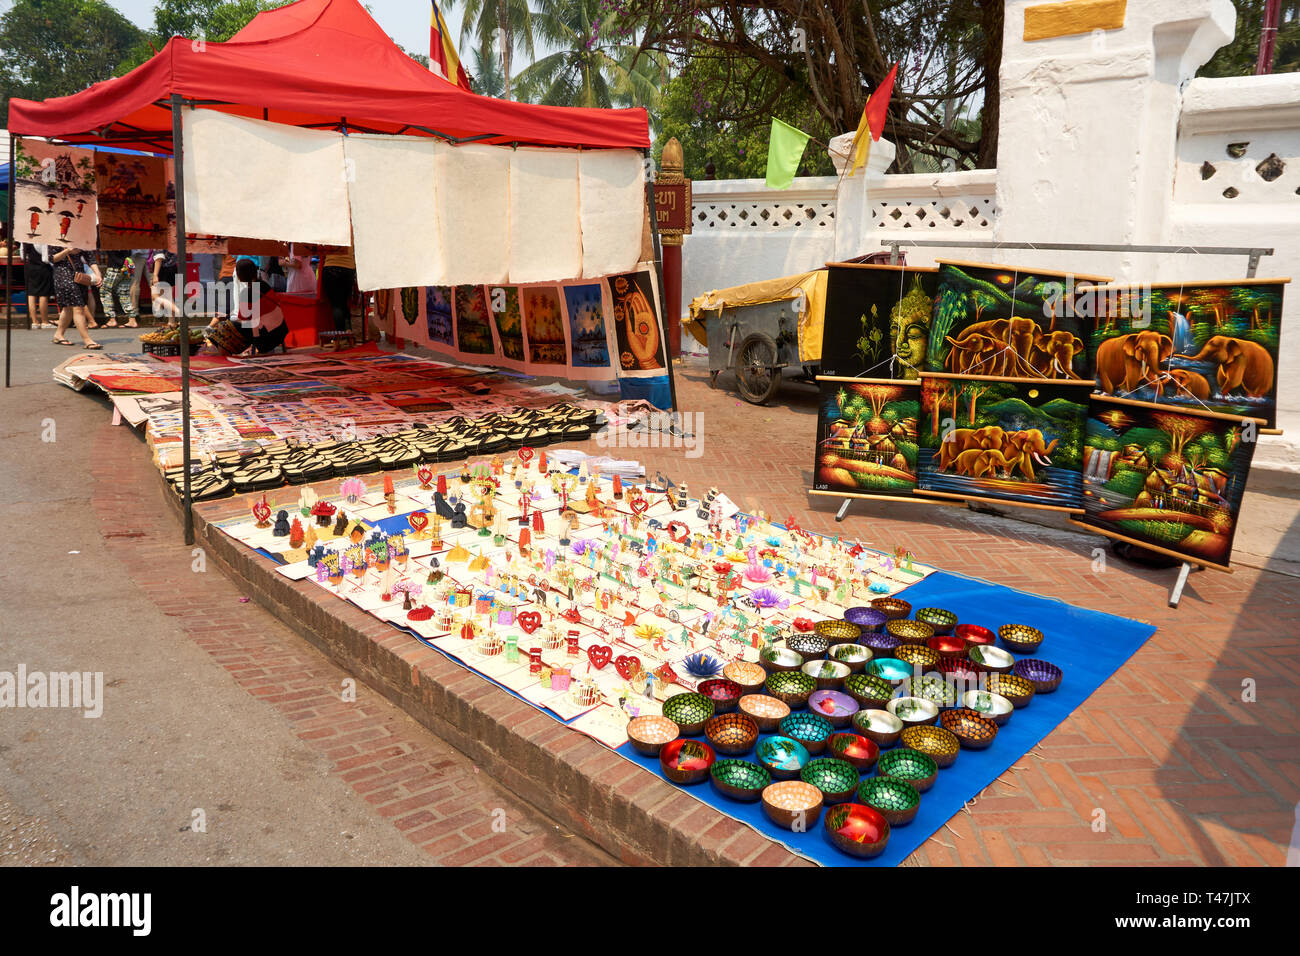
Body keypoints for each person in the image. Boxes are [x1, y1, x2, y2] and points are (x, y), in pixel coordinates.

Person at [49, 245, 103, 349]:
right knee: (78, 307)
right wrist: (67, 251)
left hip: (79, 274)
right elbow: (52, 258)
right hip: (63, 275)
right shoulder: (56, 237)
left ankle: (59, 334)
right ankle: (87, 340)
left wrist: (98, 274)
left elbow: (90, 258)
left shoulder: (80, 237)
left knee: (68, 308)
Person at [98, 249, 140, 328]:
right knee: (124, 293)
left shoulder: (111, 238)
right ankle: (132, 320)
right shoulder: (126, 237)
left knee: (105, 291)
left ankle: (112, 319)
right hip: (127, 266)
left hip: (115, 267)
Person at [321, 246, 356, 331]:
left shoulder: (329, 232)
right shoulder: (352, 232)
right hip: (349, 268)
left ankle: (341, 335)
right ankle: (348, 332)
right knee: (344, 303)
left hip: (331, 266)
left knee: (337, 305)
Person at [23, 243, 55, 330]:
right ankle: (45, 322)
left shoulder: (24, 239)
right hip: (43, 268)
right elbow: (45, 258)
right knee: (43, 294)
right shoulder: (42, 239)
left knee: (31, 294)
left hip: (31, 267)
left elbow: (23, 256)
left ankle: (35, 322)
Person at [150, 249, 180, 323]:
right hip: (172, 267)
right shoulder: (172, 238)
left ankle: (179, 312)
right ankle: (171, 322)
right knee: (168, 297)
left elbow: (159, 257)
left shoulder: (160, 238)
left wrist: (155, 275)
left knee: (156, 296)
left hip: (162, 269)